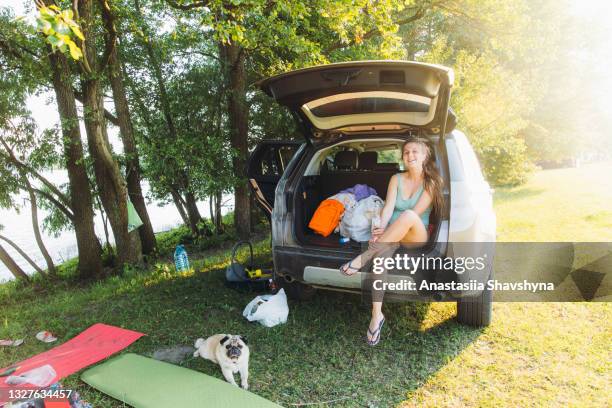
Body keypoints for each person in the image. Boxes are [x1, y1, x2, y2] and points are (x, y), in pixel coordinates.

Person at [339, 136, 444, 345]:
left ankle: (364, 257)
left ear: (425, 155)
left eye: (415, 151)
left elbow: (415, 213)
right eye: (406, 152)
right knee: (380, 262)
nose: (410, 155)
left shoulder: (432, 182)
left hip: (416, 234)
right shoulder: (396, 178)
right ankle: (376, 316)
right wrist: (379, 228)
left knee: (407, 216)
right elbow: (387, 209)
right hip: (391, 236)